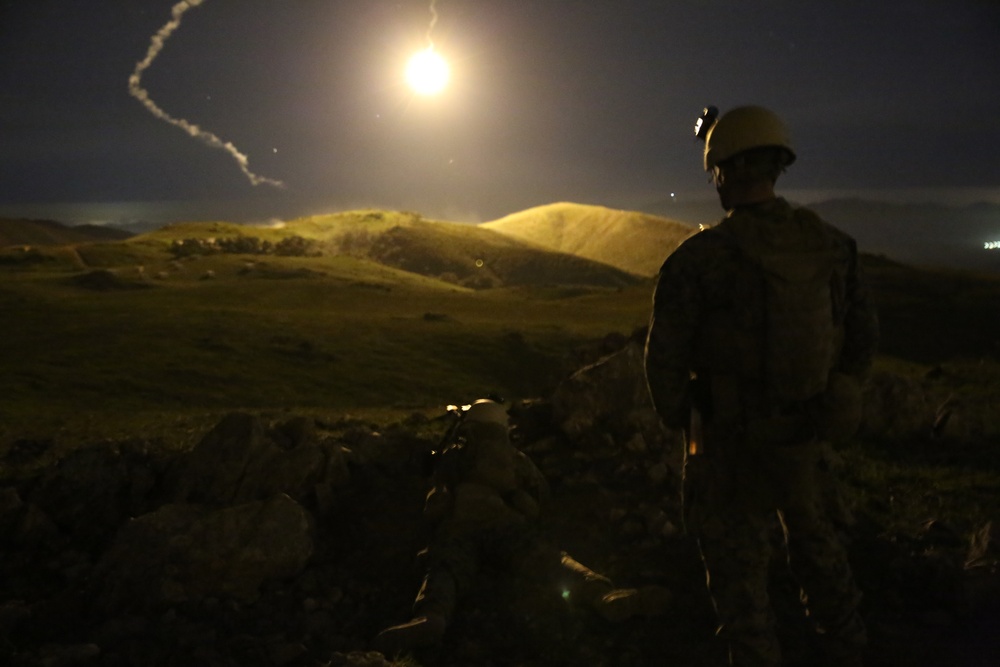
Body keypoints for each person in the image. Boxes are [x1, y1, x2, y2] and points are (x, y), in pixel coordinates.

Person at [643, 106, 879, 666]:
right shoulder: (834, 247)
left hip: (727, 448)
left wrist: (693, 422)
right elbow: (860, 342)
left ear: (722, 172)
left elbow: (665, 370)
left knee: (740, 587)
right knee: (822, 558)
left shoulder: (698, 261)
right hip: (808, 438)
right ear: (778, 167)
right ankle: (847, 646)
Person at [372, 398, 669, 656]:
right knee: (551, 559)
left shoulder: (456, 456)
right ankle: (600, 592)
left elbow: (434, 505)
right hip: (507, 524)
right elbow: (540, 496)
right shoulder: (515, 459)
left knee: (445, 567)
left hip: (460, 526)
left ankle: (432, 616)